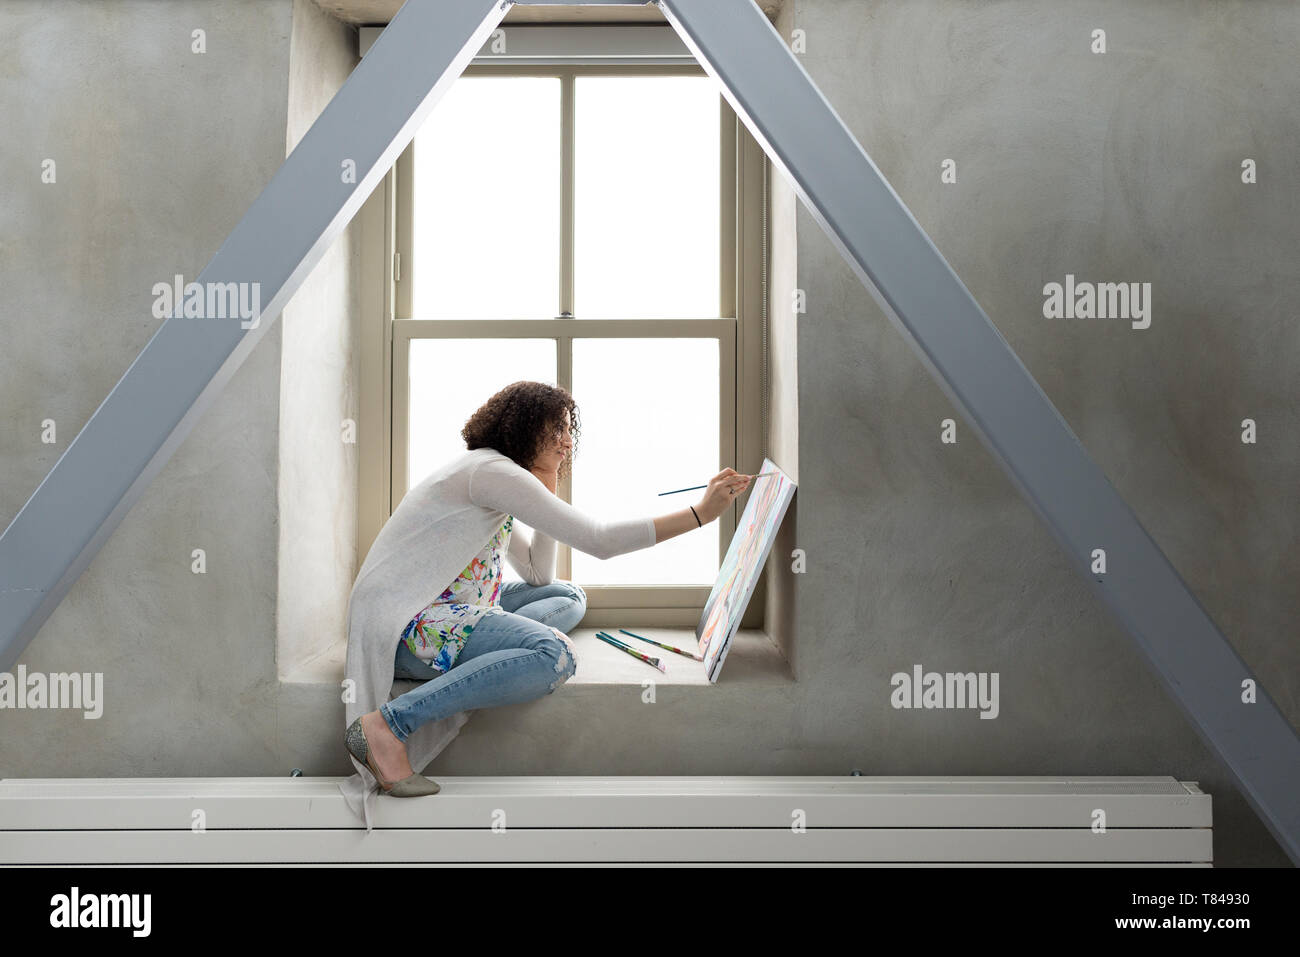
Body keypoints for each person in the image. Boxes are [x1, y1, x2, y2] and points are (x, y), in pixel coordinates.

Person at [343, 380, 752, 797]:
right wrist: (701, 513)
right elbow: (600, 541)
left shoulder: (488, 472)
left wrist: (548, 481)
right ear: (520, 427)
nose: (565, 441)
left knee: (569, 596)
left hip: (443, 606)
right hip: (407, 627)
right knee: (554, 655)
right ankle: (388, 725)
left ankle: (500, 646)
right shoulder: (490, 471)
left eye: (567, 430)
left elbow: (538, 574)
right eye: (553, 429)